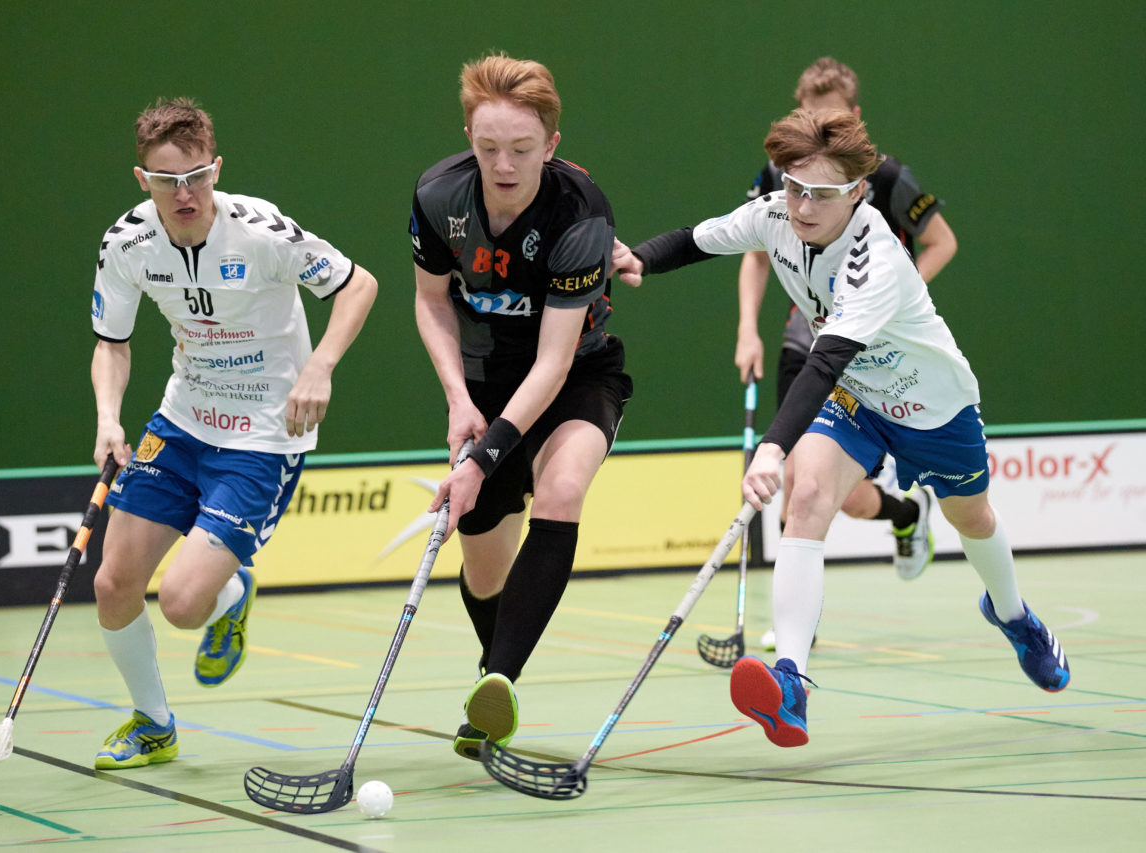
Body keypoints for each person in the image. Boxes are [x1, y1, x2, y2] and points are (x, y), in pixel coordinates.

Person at [612, 108, 1069, 749]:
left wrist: (772, 445)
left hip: (932, 407)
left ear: (856, 192)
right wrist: (639, 259)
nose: (801, 206)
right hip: (859, 399)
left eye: (820, 195)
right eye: (793, 186)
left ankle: (1014, 616)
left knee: (973, 520)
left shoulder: (876, 259)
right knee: (806, 496)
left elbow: (825, 359)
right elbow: (699, 239)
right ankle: (791, 682)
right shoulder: (776, 212)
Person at [89, 97, 377, 769]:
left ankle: (230, 591)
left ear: (215, 168)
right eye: (166, 181)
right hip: (183, 421)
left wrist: (320, 368)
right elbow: (113, 342)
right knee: (111, 584)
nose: (183, 193)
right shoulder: (126, 243)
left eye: (195, 176)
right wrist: (108, 417)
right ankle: (153, 724)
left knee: (183, 605)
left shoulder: (263, 233)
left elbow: (357, 285)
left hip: (265, 435)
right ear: (143, 181)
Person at [411, 54, 633, 761]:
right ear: (468, 139)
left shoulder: (580, 214)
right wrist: (457, 402)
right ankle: (492, 678)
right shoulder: (438, 197)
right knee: (482, 569)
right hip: (483, 381)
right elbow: (430, 302)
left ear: (552, 146)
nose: (503, 165)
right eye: (488, 148)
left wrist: (482, 455)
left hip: (576, 375)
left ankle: (499, 676)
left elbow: (554, 360)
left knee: (562, 489)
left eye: (522, 149)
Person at [738, 58, 958, 599]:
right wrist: (748, 328)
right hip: (804, 342)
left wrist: (889, 300)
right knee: (796, 476)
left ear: (855, 117)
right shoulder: (780, 175)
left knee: (852, 497)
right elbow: (756, 255)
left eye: (830, 119)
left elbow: (942, 242)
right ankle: (795, 633)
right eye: (808, 120)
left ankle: (906, 511)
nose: (817, 138)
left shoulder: (885, 177)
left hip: (870, 356)